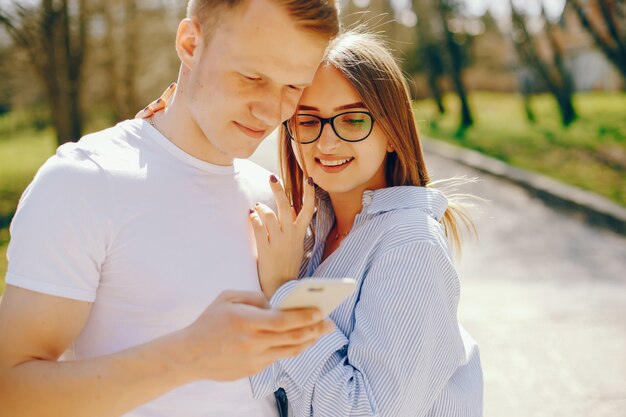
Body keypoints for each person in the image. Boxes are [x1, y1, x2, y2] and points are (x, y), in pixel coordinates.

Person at [0, 1, 340, 417]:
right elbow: (10, 393)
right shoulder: (86, 181)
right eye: (252, 77)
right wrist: (189, 354)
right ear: (191, 44)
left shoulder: (274, 202)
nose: (272, 112)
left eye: (293, 87)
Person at [246, 31, 484, 416]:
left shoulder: (410, 245)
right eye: (308, 121)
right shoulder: (306, 238)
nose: (326, 143)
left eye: (353, 120)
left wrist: (284, 294)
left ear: (392, 132)